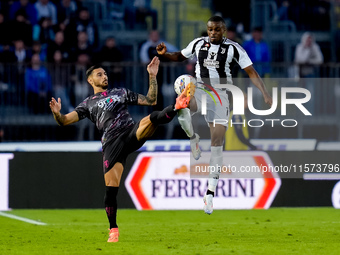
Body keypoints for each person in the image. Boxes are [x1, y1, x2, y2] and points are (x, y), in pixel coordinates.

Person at [49, 56, 192, 242]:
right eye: (99, 74)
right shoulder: (87, 104)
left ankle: (177, 106)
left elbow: (150, 99)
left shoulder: (120, 92)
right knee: (111, 191)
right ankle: (113, 229)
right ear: (90, 80)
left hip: (130, 132)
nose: (104, 76)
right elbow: (65, 121)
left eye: (105, 73)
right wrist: (57, 114)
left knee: (152, 118)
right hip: (111, 144)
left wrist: (152, 76)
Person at [156, 16, 272, 215]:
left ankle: (209, 194)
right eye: (210, 29)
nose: (213, 33)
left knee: (217, 144)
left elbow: (251, 72)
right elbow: (180, 56)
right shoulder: (198, 44)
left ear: (223, 30)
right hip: (200, 90)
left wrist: (264, 92)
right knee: (182, 103)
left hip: (221, 96)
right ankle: (193, 138)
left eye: (217, 29)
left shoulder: (234, 49)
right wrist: (166, 54)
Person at [294, 32, 323, 114]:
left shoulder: (315, 47)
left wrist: (310, 61)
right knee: (300, 94)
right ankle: (299, 114)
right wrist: (307, 49)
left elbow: (320, 60)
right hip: (299, 74)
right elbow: (300, 59)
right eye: (307, 40)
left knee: (310, 94)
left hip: (310, 74)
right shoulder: (299, 47)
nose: (309, 42)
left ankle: (310, 114)